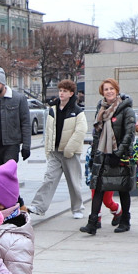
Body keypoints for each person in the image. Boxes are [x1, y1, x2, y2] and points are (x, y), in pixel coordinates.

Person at [80, 78, 135, 235]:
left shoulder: (127, 110)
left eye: (111, 88)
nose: (109, 91)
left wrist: (118, 154)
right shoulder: (101, 108)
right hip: (102, 155)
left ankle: (125, 221)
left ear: (117, 90)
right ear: (102, 92)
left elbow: (129, 134)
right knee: (97, 188)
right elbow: (97, 133)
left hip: (120, 156)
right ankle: (92, 223)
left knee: (123, 188)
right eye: (106, 89)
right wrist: (96, 152)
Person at [30, 79, 88, 218]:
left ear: (71, 93)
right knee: (49, 179)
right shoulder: (53, 109)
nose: (61, 93)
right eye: (60, 90)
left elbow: (81, 130)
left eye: (65, 91)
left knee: (74, 182)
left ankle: (77, 209)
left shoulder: (77, 111)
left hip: (70, 153)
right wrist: (48, 150)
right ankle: (39, 206)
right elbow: (49, 130)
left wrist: (70, 149)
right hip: (55, 152)